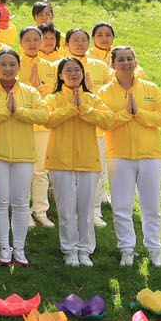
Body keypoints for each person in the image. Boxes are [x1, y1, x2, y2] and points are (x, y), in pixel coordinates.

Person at [0, 48, 48, 268]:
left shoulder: (30, 92)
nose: (8, 69)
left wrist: (19, 112)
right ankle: (3, 248)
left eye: (12, 64)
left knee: (19, 202)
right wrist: (5, 112)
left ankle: (19, 247)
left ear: (19, 66)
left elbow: (44, 115)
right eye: (3, 65)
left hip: (23, 155)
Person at [103, 44, 161, 268]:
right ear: (112, 64)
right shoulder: (104, 92)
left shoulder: (150, 89)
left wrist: (139, 114)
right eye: (120, 59)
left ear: (136, 61)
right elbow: (103, 121)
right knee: (121, 206)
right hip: (119, 155)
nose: (125, 63)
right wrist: (125, 115)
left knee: (151, 206)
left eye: (129, 59)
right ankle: (127, 249)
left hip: (150, 155)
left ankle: (154, 249)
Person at [44, 56, 112, 267]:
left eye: (77, 70)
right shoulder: (52, 99)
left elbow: (108, 120)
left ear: (83, 74)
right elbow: (48, 120)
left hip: (88, 160)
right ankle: (69, 250)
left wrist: (83, 108)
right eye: (69, 70)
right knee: (65, 209)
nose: (73, 74)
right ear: (61, 76)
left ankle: (85, 249)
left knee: (86, 209)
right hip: (60, 161)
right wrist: (71, 109)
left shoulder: (92, 98)